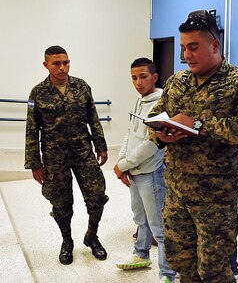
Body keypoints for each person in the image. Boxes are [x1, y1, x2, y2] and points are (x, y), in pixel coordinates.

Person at [148, 10, 238, 283]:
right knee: (182, 263)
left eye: (194, 47)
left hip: (215, 198)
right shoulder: (177, 82)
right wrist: (161, 136)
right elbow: (156, 116)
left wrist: (198, 124)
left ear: (215, 45)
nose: (187, 55)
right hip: (176, 193)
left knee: (214, 271)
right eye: (184, 48)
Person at [25, 45, 109, 265]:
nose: (62, 68)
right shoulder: (37, 93)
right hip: (54, 157)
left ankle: (92, 236)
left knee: (97, 195)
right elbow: (32, 129)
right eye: (56, 64)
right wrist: (35, 163)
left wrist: (101, 145)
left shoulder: (81, 86)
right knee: (61, 204)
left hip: (83, 151)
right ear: (46, 65)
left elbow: (93, 117)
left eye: (66, 62)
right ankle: (67, 241)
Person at [113, 57, 176, 283]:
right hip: (135, 172)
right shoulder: (139, 101)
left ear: (154, 77)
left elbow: (151, 144)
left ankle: (168, 273)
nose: (138, 82)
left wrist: (123, 165)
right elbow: (131, 134)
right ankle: (141, 255)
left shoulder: (160, 103)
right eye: (134, 77)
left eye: (143, 76)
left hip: (150, 173)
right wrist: (122, 160)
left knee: (159, 226)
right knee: (140, 219)